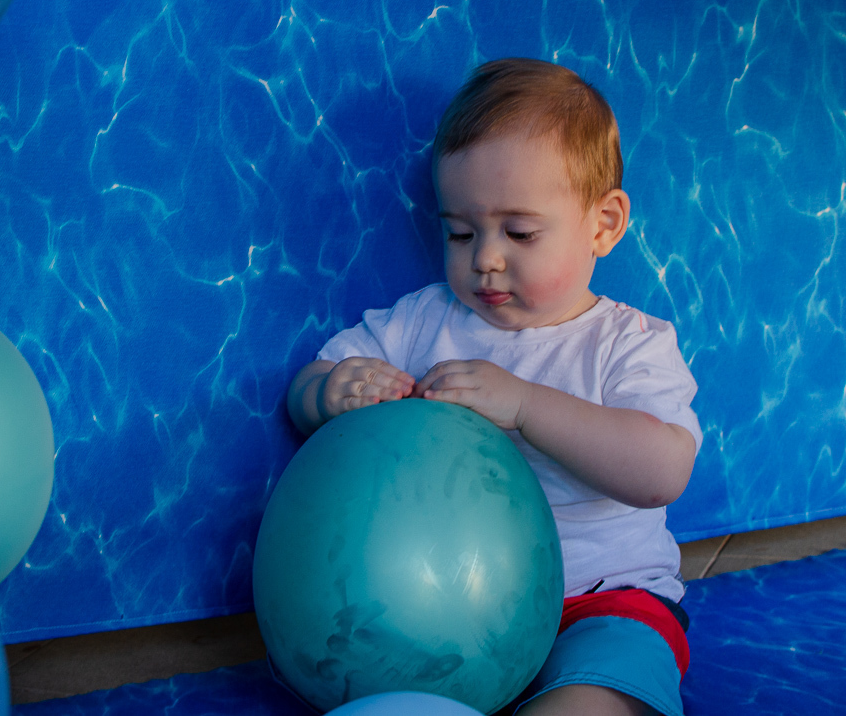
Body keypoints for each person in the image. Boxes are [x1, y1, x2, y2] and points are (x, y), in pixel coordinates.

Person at [286, 58, 701, 716]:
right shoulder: (425, 320)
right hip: (445, 605)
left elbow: (662, 469)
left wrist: (528, 405)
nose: (484, 256)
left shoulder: (629, 343)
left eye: (519, 231)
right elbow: (307, 384)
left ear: (605, 223)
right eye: (460, 230)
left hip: (601, 600)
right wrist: (329, 392)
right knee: (376, 675)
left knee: (597, 695)